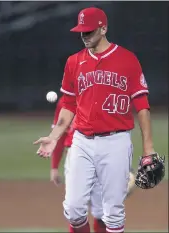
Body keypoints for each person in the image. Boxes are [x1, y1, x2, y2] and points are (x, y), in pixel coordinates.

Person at [34, 7, 155, 233]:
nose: (85, 36)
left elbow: (142, 106)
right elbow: (68, 105)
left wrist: (148, 149)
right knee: (73, 209)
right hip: (82, 141)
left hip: (116, 142)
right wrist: (53, 136)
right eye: (81, 32)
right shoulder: (73, 62)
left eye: (89, 31)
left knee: (113, 212)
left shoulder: (127, 60)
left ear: (104, 28)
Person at [49, 96, 136, 233]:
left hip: (102, 155)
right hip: (76, 156)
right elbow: (59, 135)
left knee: (102, 213)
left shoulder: (106, 95)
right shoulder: (65, 101)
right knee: (75, 212)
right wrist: (54, 167)